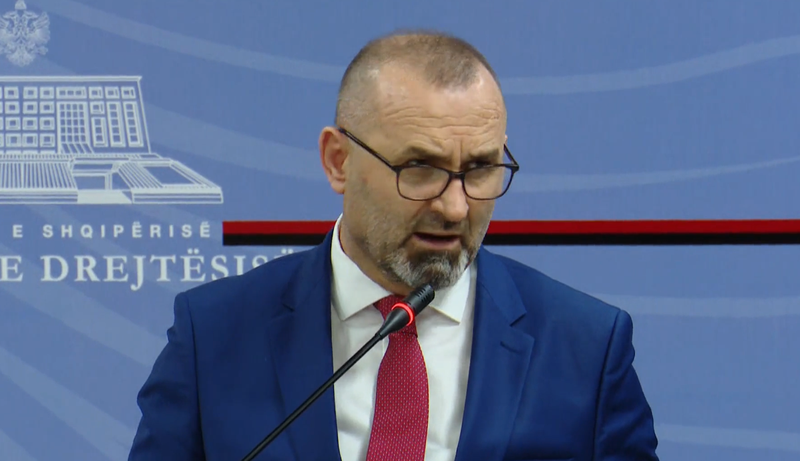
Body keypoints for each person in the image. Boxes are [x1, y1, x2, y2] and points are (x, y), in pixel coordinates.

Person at [128, 30, 659, 461]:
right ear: (338, 161)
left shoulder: (586, 348)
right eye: (420, 168)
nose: (455, 207)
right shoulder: (214, 335)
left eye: (480, 169)